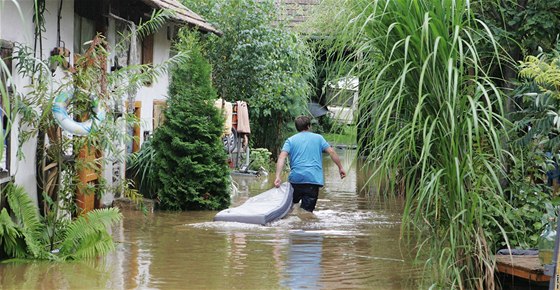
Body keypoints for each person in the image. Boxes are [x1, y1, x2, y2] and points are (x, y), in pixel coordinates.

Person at [274, 115, 346, 212]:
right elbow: (332, 152)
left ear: (296, 128)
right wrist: (340, 168)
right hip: (313, 181)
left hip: (296, 180)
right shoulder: (319, 138)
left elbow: (282, 157)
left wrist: (277, 176)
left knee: (289, 210)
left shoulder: (290, 140)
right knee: (306, 213)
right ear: (309, 126)